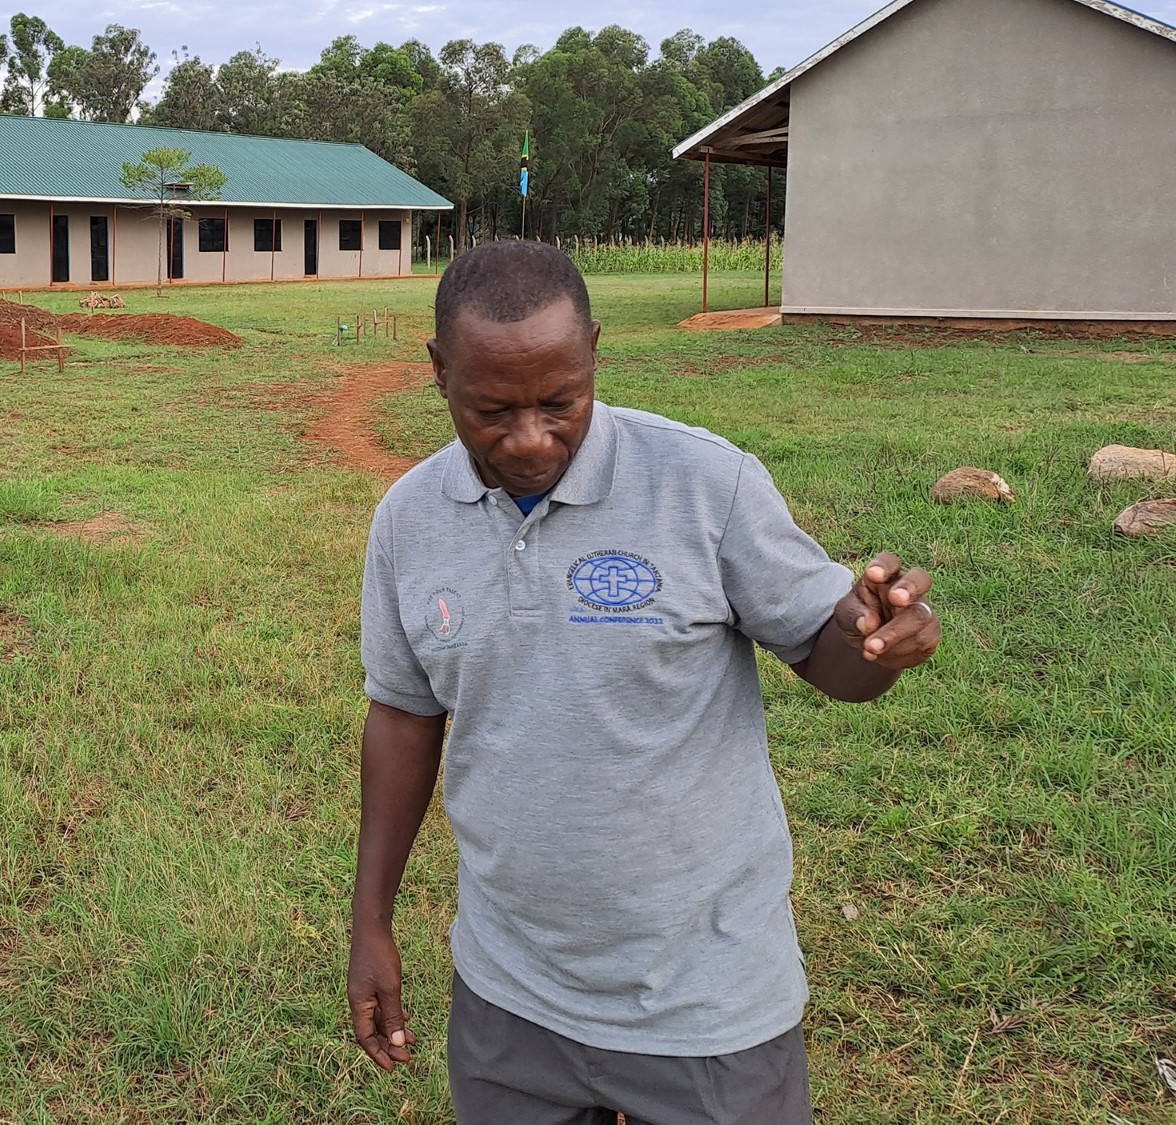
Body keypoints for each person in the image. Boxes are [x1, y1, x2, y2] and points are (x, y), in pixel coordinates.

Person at [349, 241, 941, 1125]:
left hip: (707, 1000)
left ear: (594, 350)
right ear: (439, 373)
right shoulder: (408, 521)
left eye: (561, 402)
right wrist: (372, 919)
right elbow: (403, 716)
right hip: (510, 993)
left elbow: (826, 655)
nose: (530, 438)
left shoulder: (705, 484)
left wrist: (875, 641)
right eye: (491, 409)